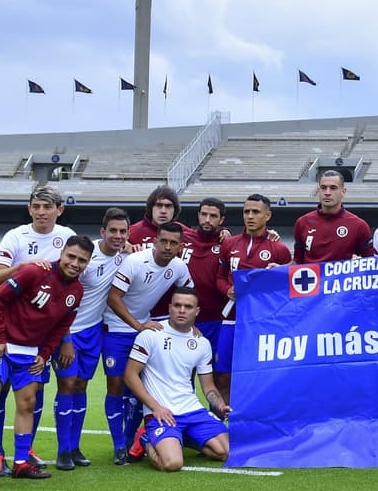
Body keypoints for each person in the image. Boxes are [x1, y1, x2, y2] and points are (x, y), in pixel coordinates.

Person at [0, 237, 93, 491]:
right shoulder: (34, 271)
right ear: (62, 253)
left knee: (27, 404)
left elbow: (61, 326)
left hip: (29, 353)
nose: (75, 263)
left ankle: (21, 463)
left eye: (82, 260)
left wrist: (45, 354)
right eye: (71, 256)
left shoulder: (76, 291)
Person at [0, 185, 77, 474]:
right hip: (9, 330)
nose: (41, 212)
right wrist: (22, 267)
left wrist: (64, 339)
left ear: (59, 210)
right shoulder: (16, 236)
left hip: (41, 335)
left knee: (33, 394)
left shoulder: (67, 237)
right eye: (36, 206)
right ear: (29, 208)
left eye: (47, 207)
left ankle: (25, 451)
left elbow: (69, 288)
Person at [101, 222, 194, 465]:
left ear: (180, 247)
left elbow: (188, 295)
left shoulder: (178, 267)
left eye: (174, 243)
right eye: (163, 241)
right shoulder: (135, 262)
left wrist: (191, 326)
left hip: (143, 330)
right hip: (117, 329)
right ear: (155, 241)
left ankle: (134, 440)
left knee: (138, 390)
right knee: (116, 386)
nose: (167, 246)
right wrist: (137, 325)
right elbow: (113, 298)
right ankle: (118, 445)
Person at [52, 208, 129, 470]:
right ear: (103, 232)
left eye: (123, 232)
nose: (118, 236)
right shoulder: (85, 258)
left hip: (94, 331)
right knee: (67, 384)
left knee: (82, 386)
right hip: (68, 332)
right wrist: (65, 338)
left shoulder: (125, 258)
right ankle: (62, 450)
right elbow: (61, 298)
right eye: (113, 231)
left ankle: (74, 447)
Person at [124, 287, 231, 471]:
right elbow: (130, 375)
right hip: (162, 411)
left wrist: (220, 405)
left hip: (192, 411)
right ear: (170, 307)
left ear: (197, 311)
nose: (182, 310)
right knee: (172, 464)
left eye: (188, 307)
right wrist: (155, 407)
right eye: (178, 305)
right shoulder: (151, 334)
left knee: (226, 452)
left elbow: (209, 387)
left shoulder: (202, 343)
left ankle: (182, 437)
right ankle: (145, 438)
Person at [214, 194, 292, 405]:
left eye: (256, 212)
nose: (250, 216)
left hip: (262, 322)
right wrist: (227, 290)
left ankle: (254, 420)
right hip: (231, 318)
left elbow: (286, 287)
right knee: (221, 373)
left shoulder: (279, 249)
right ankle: (223, 424)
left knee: (257, 374)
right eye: (246, 211)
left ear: (268, 215)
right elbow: (220, 278)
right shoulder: (229, 244)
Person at [293, 170, 375, 262]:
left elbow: (370, 263)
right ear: (318, 191)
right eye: (323, 188)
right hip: (312, 276)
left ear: (343, 191)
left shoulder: (359, 225)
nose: (327, 192)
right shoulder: (303, 222)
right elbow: (297, 261)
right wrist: (277, 269)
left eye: (333, 188)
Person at [184, 198, 228, 363]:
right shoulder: (183, 237)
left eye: (213, 216)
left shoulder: (227, 244)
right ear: (198, 215)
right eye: (204, 214)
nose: (207, 220)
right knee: (183, 375)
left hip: (216, 320)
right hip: (184, 320)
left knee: (219, 376)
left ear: (221, 220)